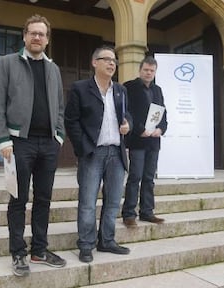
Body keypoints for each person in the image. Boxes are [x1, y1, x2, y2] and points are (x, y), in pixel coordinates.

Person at [0, 14, 66, 277]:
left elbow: (59, 107)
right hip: (18, 143)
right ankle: (18, 252)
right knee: (18, 200)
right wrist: (2, 139)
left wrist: (58, 136)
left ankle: (39, 250)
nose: (37, 37)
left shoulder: (53, 69)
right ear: (24, 36)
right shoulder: (8, 63)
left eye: (41, 34)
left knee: (44, 198)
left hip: (47, 144)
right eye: (32, 33)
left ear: (47, 39)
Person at [64, 46, 133, 263]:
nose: (112, 63)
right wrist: (83, 148)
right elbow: (71, 121)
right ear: (95, 62)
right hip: (93, 152)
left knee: (113, 201)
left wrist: (128, 124)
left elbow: (127, 114)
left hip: (117, 153)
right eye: (107, 59)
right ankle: (86, 244)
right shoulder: (80, 88)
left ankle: (107, 240)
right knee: (87, 201)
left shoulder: (121, 90)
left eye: (114, 60)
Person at [121, 56, 168, 228]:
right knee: (135, 177)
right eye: (146, 70)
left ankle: (147, 212)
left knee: (149, 178)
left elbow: (163, 113)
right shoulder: (129, 87)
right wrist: (140, 129)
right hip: (137, 140)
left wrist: (161, 129)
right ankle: (128, 214)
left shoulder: (158, 90)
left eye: (152, 70)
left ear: (155, 72)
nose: (148, 73)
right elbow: (127, 112)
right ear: (140, 70)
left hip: (153, 142)